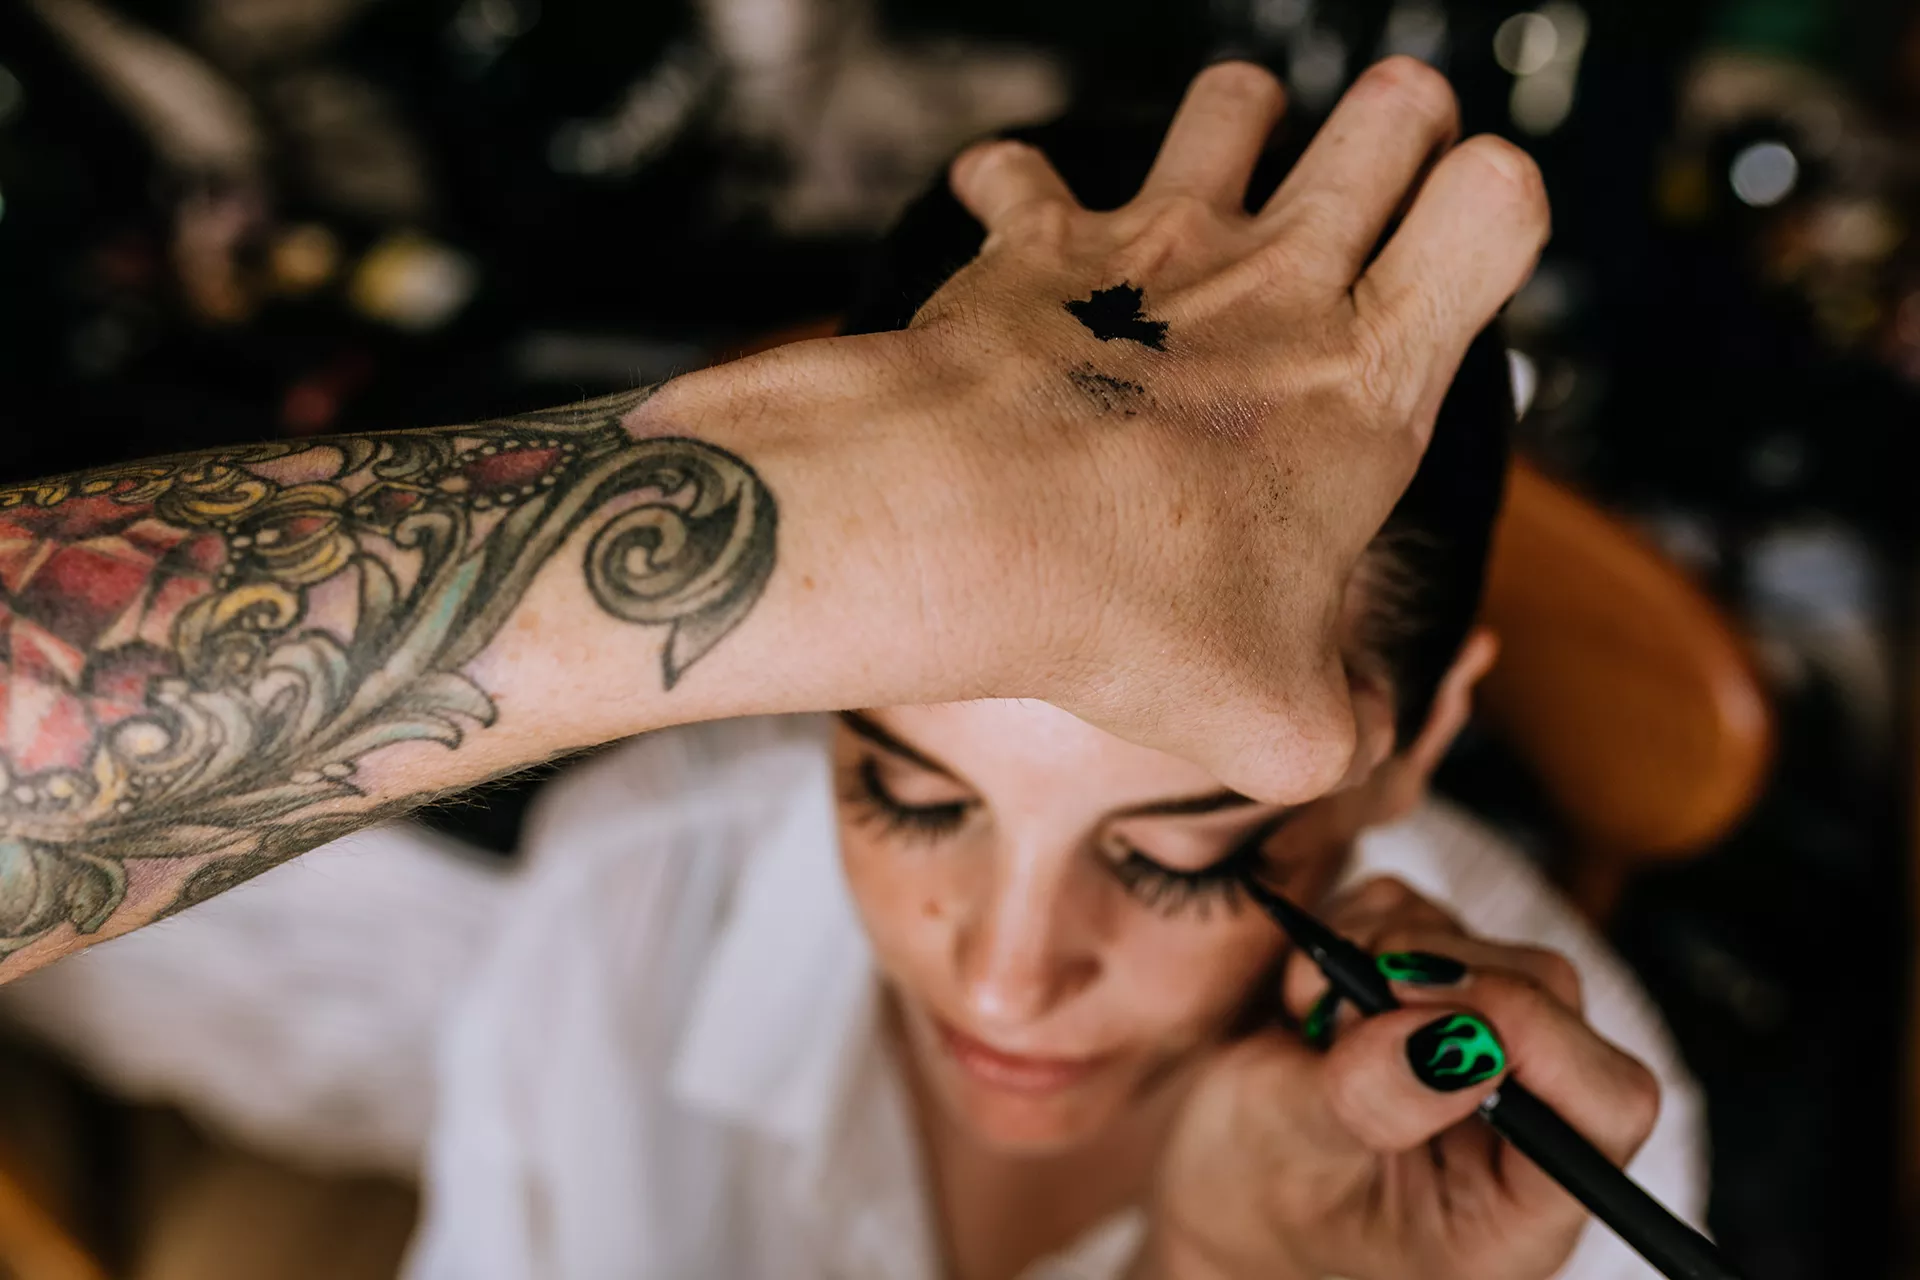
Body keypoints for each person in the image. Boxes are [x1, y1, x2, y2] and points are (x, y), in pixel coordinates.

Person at [5, 61, 1702, 1280]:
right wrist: (864, 510)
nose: (1008, 981)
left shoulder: (1542, 1153)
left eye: (1182, 859)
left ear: (1427, 740)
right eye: (902, 793)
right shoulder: (641, 887)